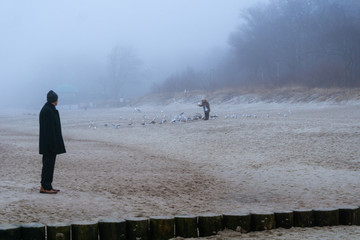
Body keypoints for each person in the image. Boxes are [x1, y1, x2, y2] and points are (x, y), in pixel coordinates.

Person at [39, 90, 66, 194]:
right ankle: (45, 187)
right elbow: (49, 130)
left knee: (48, 165)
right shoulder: (48, 111)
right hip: (49, 144)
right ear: (55, 100)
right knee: (48, 166)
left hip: (49, 143)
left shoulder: (49, 109)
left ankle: (47, 186)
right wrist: (53, 145)